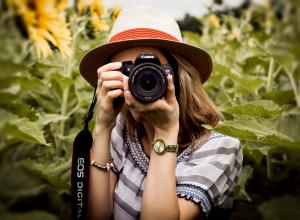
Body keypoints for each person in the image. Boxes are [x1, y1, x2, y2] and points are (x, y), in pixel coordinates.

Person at [79, 5, 243, 220]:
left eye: (151, 69)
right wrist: (102, 126)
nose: (140, 79)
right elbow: (97, 215)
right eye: (127, 70)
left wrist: (166, 131)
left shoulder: (221, 149)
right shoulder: (122, 128)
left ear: (179, 77)